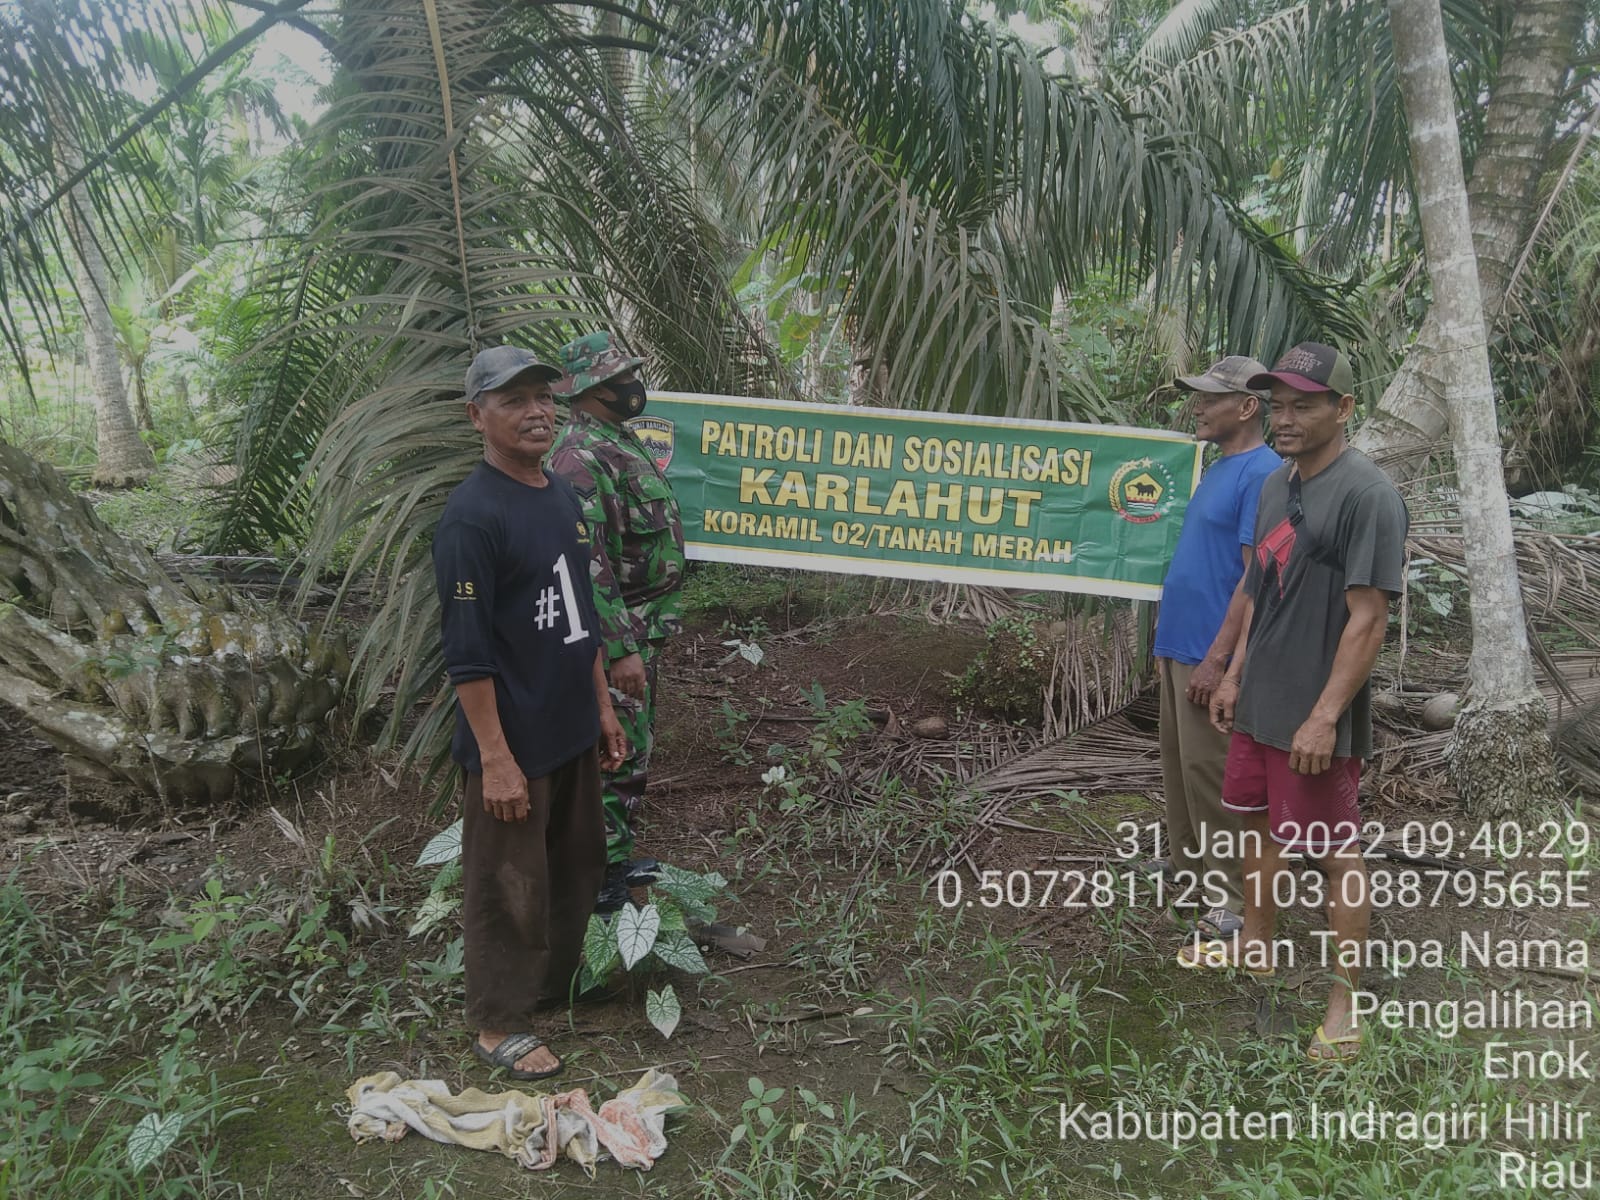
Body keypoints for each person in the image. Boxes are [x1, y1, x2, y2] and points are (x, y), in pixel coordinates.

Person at [1209, 342, 1408, 1064]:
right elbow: (1262, 584)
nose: (1286, 418)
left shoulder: (1367, 495)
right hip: (1260, 699)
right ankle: (1256, 944)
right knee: (1257, 829)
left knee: (1333, 855)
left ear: (1343, 408)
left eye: (1305, 404)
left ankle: (1344, 1010)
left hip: (1312, 715)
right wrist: (1232, 672)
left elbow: (1369, 619)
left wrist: (1324, 714)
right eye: (1280, 404)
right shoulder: (1276, 485)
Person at [433, 344, 628, 1081]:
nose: (535, 410)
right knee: (506, 883)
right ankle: (496, 1021)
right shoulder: (471, 519)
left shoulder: (557, 496)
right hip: (512, 737)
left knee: (574, 867)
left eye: (542, 395)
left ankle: (553, 985)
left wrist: (601, 707)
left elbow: (579, 620)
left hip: (570, 725)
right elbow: (468, 655)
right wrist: (496, 757)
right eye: (512, 400)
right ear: (476, 415)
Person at [548, 331, 686, 913]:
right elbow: (589, 562)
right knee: (613, 753)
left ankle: (615, 853)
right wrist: (622, 647)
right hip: (620, 636)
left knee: (631, 753)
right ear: (595, 390)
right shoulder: (579, 457)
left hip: (643, 628)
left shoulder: (613, 439)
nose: (634, 385)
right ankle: (594, 879)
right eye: (622, 377)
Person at [1151, 356, 1280, 969]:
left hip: (1208, 651)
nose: (1197, 407)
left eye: (1210, 398)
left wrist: (1222, 663)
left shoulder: (1263, 473)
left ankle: (1229, 898)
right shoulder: (1220, 467)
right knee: (1179, 765)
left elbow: (1256, 579)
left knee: (1213, 774)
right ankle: (1187, 866)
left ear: (1248, 407)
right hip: (1179, 645)